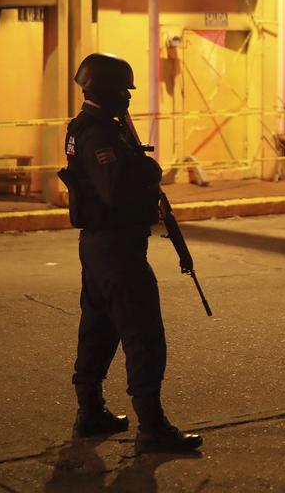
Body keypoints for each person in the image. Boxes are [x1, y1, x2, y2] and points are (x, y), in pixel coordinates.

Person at [63, 52, 202, 453]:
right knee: (143, 335)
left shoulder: (88, 126)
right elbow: (114, 190)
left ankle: (90, 412)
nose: (128, 97)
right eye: (123, 89)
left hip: (98, 246)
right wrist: (148, 170)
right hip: (117, 247)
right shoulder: (101, 135)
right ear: (105, 90)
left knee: (100, 328)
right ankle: (152, 427)